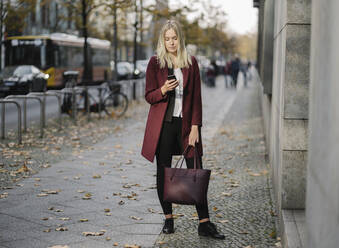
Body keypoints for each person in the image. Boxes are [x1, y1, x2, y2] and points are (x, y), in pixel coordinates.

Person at [141, 19, 225, 239]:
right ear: (162, 40)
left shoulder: (191, 62)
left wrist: (196, 126)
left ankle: (204, 223)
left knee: (195, 169)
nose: (171, 42)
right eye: (167, 39)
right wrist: (162, 89)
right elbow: (149, 96)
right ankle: (168, 220)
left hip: (187, 125)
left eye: (174, 38)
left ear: (180, 38)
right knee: (163, 172)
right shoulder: (155, 63)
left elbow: (196, 97)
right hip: (164, 126)